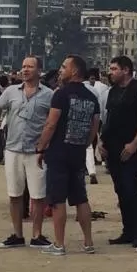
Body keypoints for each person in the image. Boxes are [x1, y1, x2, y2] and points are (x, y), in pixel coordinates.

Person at [35, 55, 100, 256]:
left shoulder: (61, 95)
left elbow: (51, 124)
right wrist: (83, 144)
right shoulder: (92, 98)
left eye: (64, 67)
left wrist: (40, 147)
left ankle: (59, 243)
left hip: (59, 152)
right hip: (78, 152)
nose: (60, 70)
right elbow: (94, 129)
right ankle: (88, 242)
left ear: (74, 71)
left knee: (58, 199)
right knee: (81, 198)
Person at [0, 56, 54, 249]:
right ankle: (17, 234)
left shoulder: (49, 95)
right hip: (13, 149)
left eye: (30, 67)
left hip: (37, 151)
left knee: (38, 195)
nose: (25, 70)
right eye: (23, 66)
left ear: (39, 71)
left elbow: (53, 122)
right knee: (14, 194)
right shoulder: (10, 92)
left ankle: (37, 235)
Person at [101, 55, 137, 247]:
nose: (110, 72)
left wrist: (135, 143)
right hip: (111, 146)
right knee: (120, 190)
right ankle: (127, 230)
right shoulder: (112, 91)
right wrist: (101, 142)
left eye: (114, 69)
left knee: (132, 190)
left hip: (129, 147)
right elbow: (109, 118)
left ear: (126, 70)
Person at [85, 67, 110, 185]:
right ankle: (91, 171)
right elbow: (99, 107)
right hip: (91, 119)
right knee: (89, 146)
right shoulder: (94, 90)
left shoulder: (72, 88)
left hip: (74, 121)